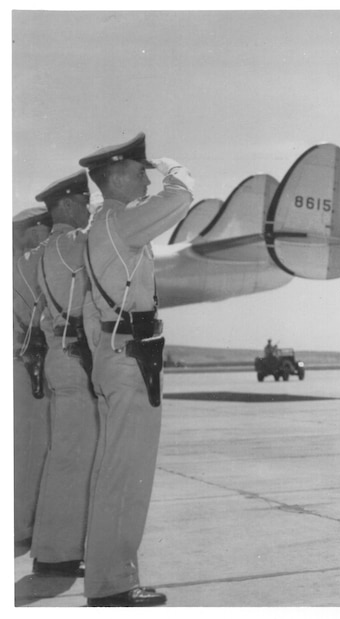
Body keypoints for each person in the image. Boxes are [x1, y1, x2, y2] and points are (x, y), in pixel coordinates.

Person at [79, 132, 194, 606]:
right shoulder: (120, 221)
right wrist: (174, 168)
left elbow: (89, 308)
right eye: (138, 172)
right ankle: (112, 585)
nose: (146, 179)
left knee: (116, 473)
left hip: (118, 354)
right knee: (126, 477)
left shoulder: (100, 226)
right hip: (130, 357)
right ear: (115, 176)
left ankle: (112, 578)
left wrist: (104, 354)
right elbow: (181, 196)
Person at [30, 170, 98, 578]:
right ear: (69, 206)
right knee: (73, 459)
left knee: (65, 457)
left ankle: (57, 549)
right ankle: (58, 554)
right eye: (85, 203)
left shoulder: (46, 249)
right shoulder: (73, 244)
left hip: (61, 355)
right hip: (74, 359)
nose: (90, 209)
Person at [13, 207, 52, 549]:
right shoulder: (23, 265)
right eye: (45, 228)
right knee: (30, 449)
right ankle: (21, 527)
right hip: (23, 367)